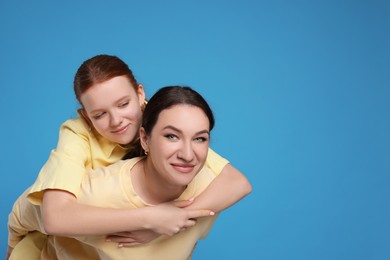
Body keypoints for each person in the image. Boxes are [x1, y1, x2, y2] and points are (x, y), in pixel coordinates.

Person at [7, 55, 252, 259]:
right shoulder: (78, 135)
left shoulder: (163, 120)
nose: (117, 121)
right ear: (85, 116)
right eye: (100, 114)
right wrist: (149, 220)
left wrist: (172, 220)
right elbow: (52, 217)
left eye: (123, 104)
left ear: (140, 94)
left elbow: (235, 181)